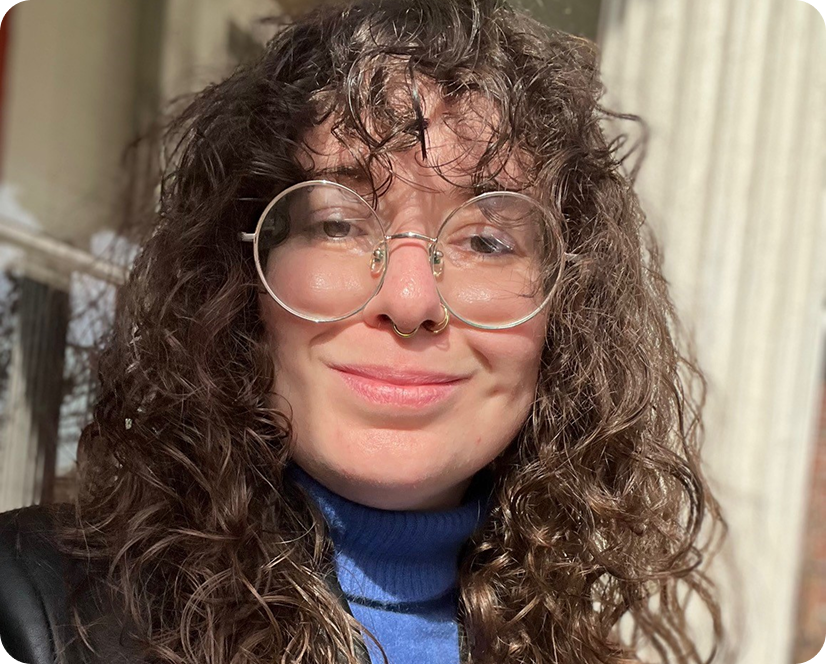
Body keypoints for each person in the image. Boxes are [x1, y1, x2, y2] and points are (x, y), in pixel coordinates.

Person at [0, 1, 725, 663]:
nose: (409, 301)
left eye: (487, 241)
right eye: (338, 225)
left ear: (567, 314)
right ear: (242, 281)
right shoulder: (34, 614)